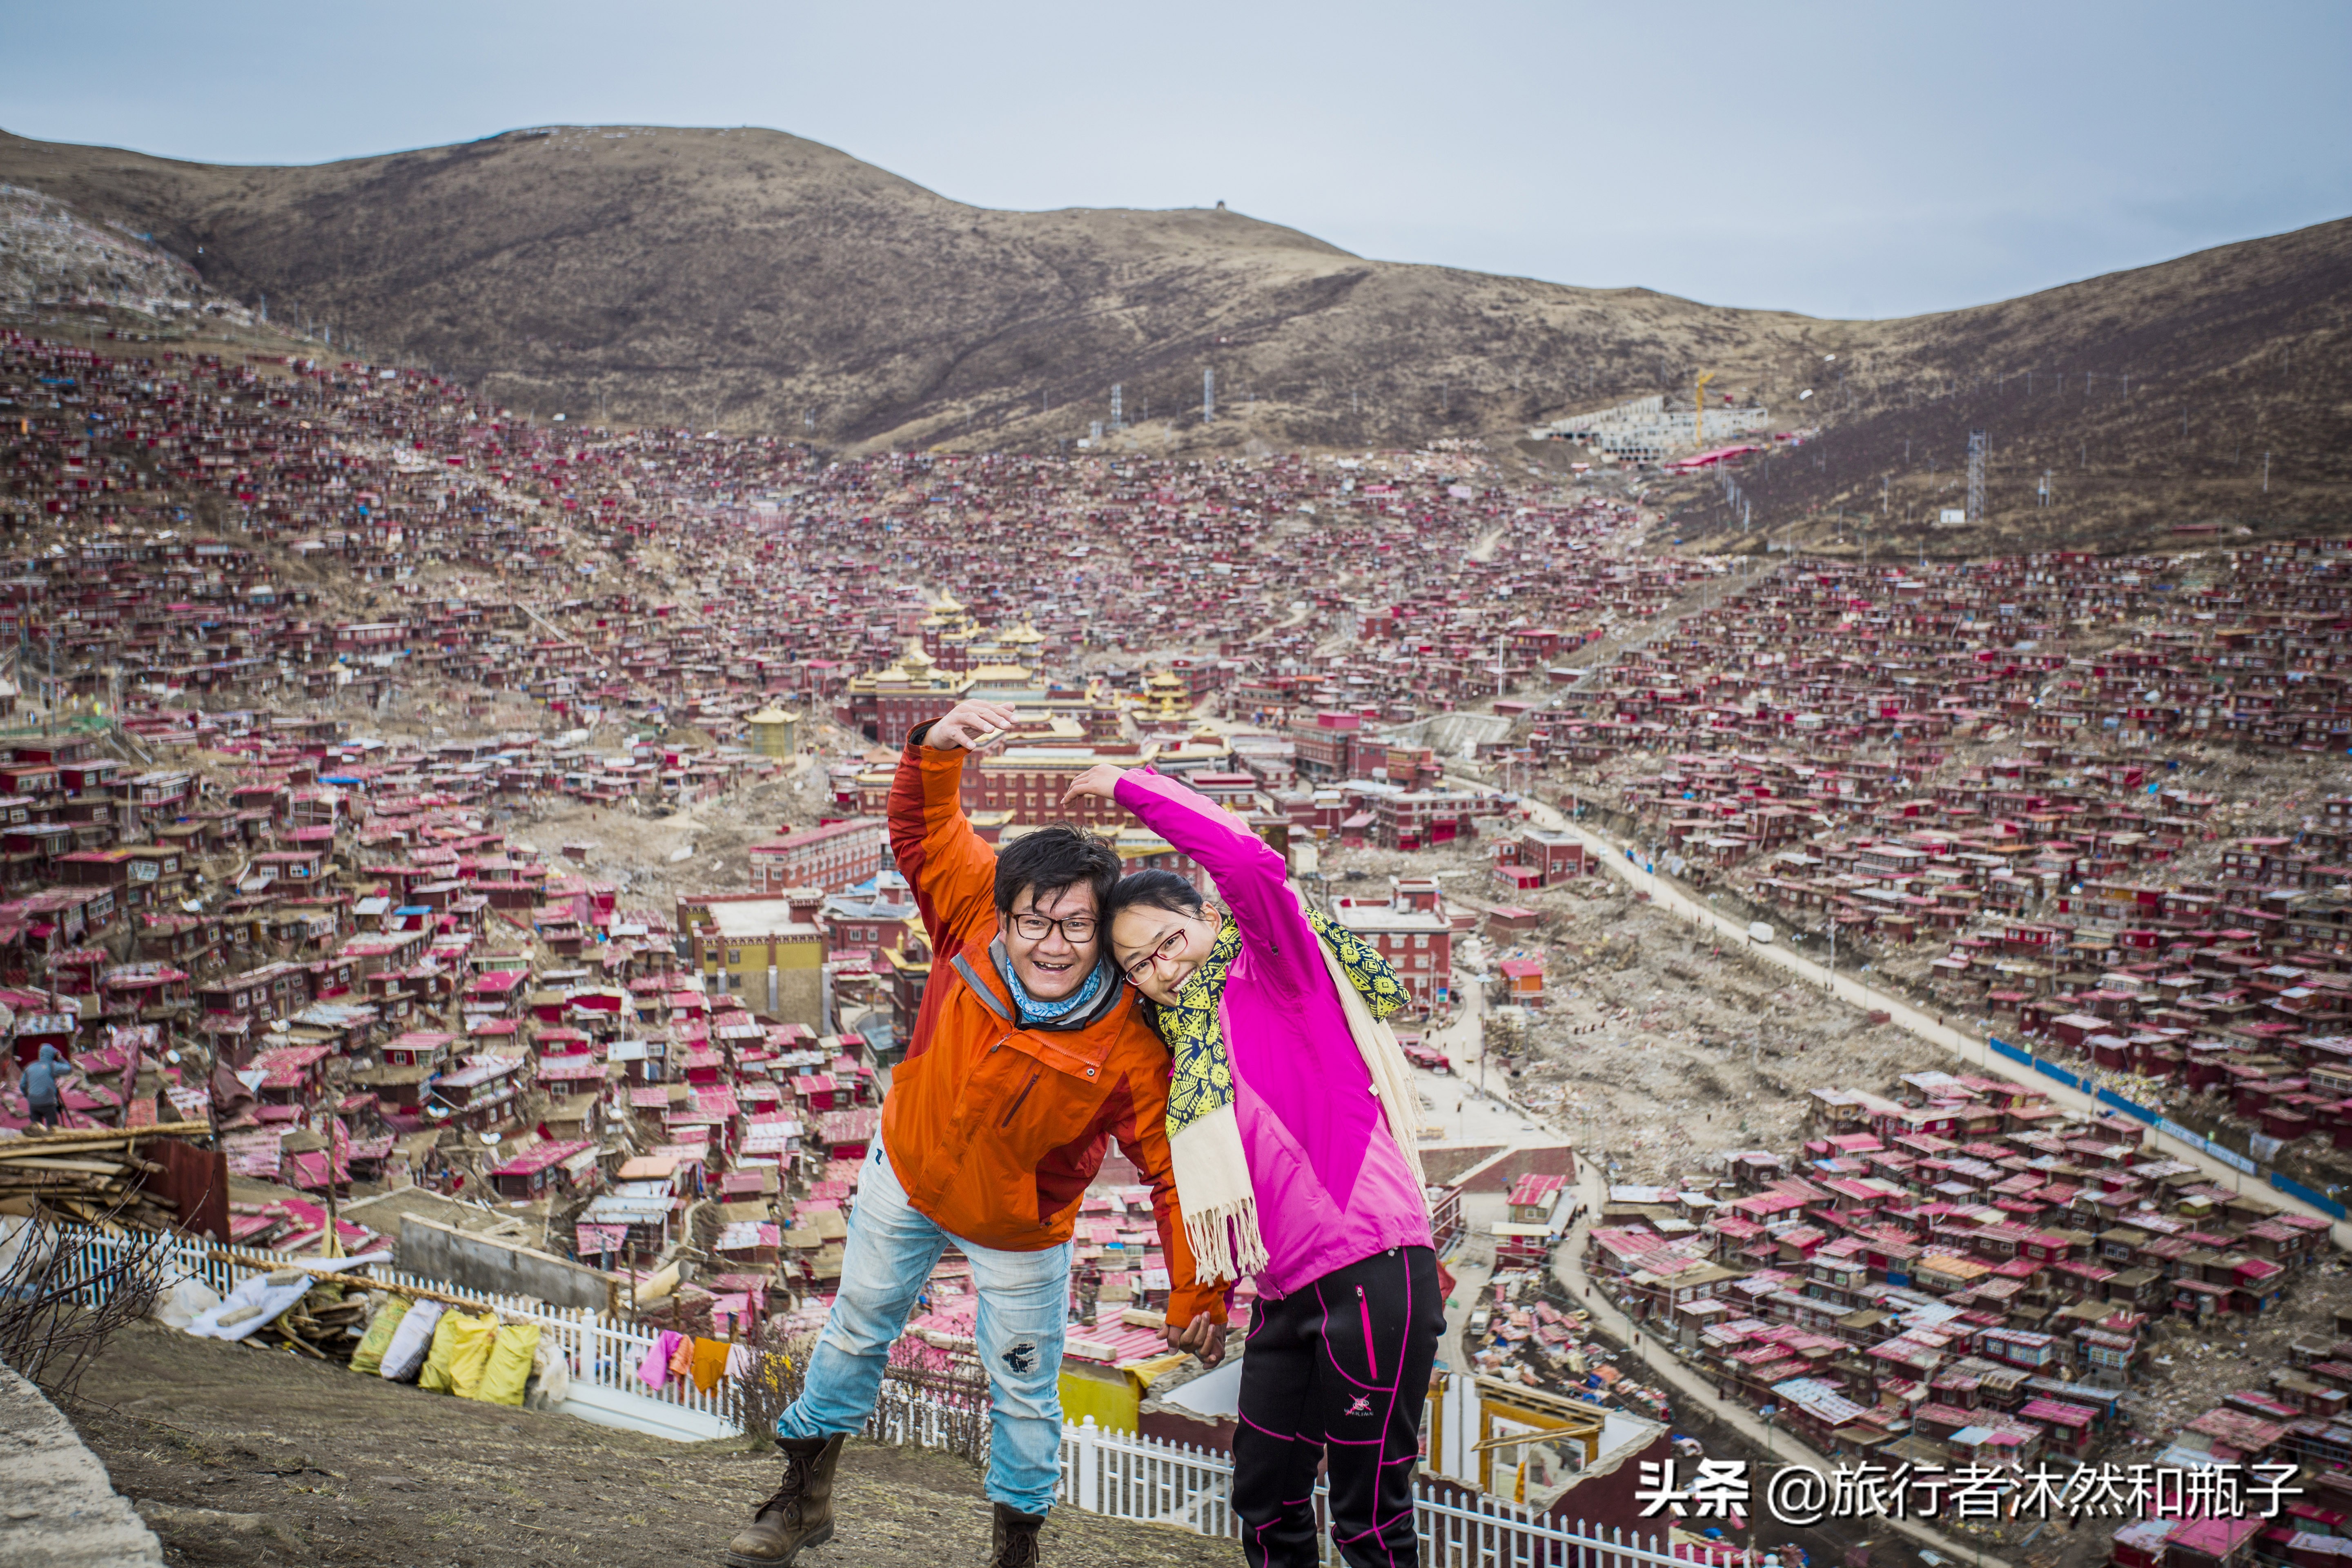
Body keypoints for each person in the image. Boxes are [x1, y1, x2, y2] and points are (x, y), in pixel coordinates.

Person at [722, 700, 1223, 1568]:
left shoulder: (1134, 1046)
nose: (1052, 943)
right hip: (907, 1171)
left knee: (1025, 1387)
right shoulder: (974, 914)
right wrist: (933, 751)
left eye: (1076, 926)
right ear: (1009, 910)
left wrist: (1198, 1293)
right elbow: (924, 835)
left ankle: (1016, 1547)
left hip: (1018, 1224)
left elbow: (1174, 1172)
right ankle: (801, 1498)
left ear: (1103, 929)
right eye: (1035, 920)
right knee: (854, 1330)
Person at [1066, 762, 1446, 1568]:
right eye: (1139, 965)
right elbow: (1239, 1188)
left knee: (1369, 1516)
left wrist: (1127, 785)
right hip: (1285, 1296)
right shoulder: (1187, 1054)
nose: (1162, 969)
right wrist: (1213, 1294)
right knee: (1267, 1499)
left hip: (1373, 1273)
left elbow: (1245, 860)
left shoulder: (1280, 976)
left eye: (1169, 941)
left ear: (1205, 918)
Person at [21, 1043, 65, 1130]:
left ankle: (39, 1141)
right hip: (48, 1103)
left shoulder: (31, 1066)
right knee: (53, 1128)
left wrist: (29, 1096)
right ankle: (53, 1141)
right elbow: (68, 1068)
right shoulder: (52, 1067)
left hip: (34, 1103)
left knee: (36, 1129)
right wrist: (60, 1058)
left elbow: (23, 1086)